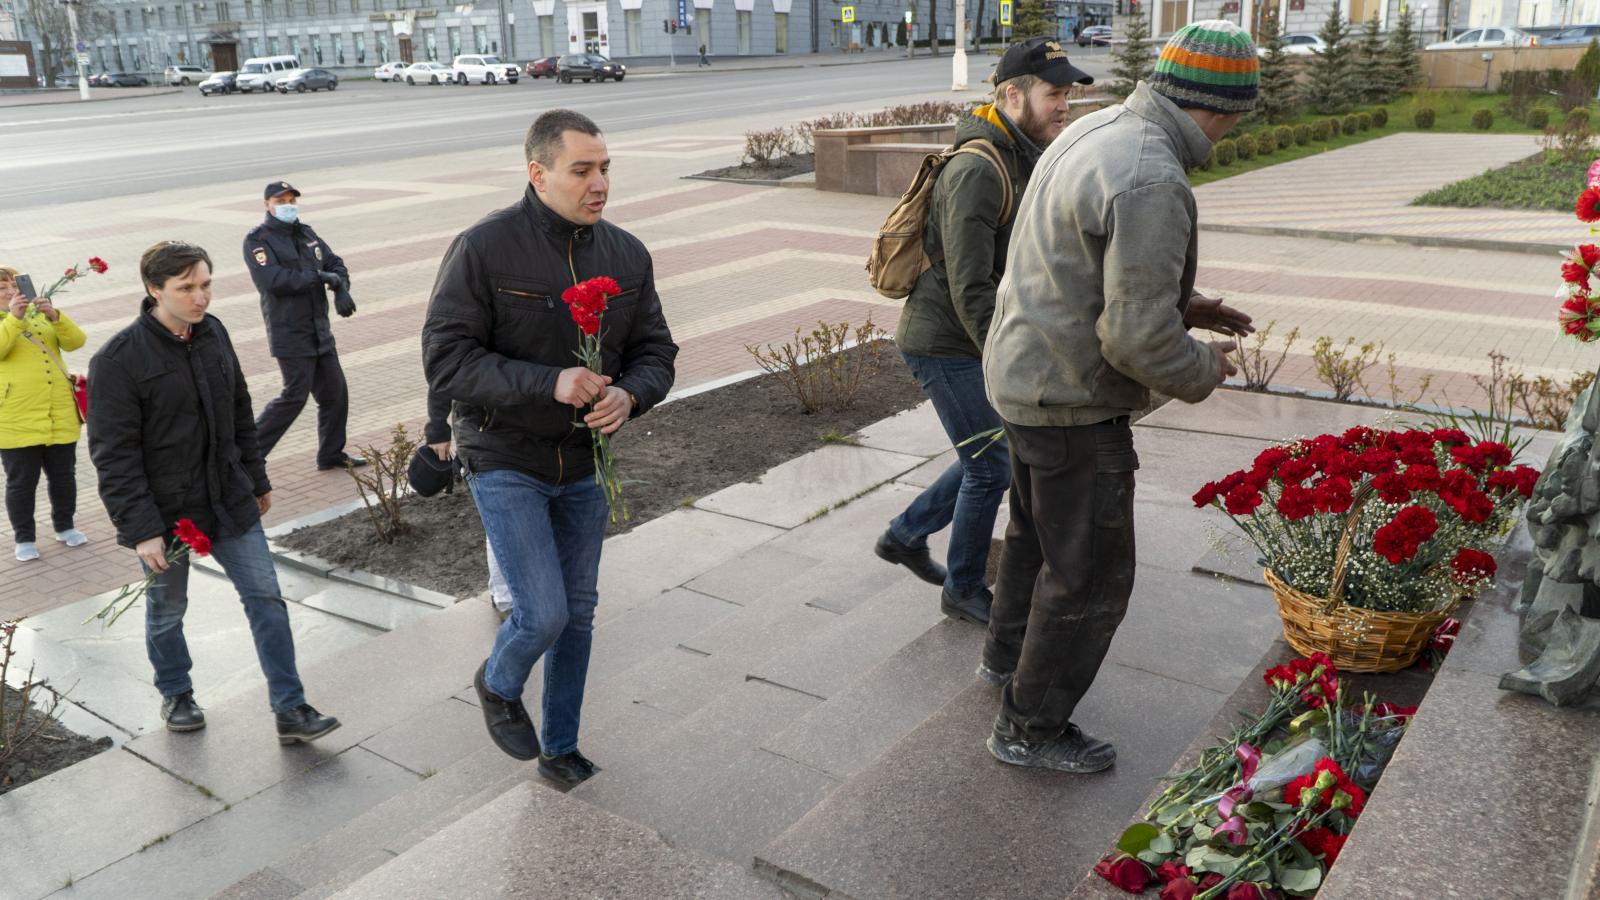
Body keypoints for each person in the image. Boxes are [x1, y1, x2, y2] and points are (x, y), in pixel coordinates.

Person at [980, 21, 1257, 773]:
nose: (1233, 131)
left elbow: (1074, 256)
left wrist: (1185, 304)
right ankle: (1029, 727)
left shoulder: (1098, 129)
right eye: (1238, 118)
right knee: (1091, 574)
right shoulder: (1153, 173)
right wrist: (1203, 367)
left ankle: (1003, 661)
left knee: (1036, 540)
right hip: (1072, 398)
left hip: (1023, 376)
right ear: (1220, 109)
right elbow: (1135, 340)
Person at [423, 109, 677, 787]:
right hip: (505, 455)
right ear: (538, 174)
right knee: (542, 611)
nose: (600, 184)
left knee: (579, 615)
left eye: (606, 169)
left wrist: (632, 395)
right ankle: (498, 681)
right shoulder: (483, 248)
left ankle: (560, 747)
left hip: (586, 462)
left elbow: (656, 350)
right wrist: (550, 382)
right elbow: (446, 361)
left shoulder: (626, 253)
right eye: (582, 170)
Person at [875, 37, 1093, 626]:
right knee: (990, 465)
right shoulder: (978, 168)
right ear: (1012, 95)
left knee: (994, 453)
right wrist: (1003, 359)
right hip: (944, 345)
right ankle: (963, 587)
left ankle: (905, 534)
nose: (1064, 105)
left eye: (1067, 94)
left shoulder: (1020, 152)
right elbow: (969, 286)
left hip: (969, 338)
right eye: (1054, 94)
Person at [88, 241, 341, 743]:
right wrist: (142, 530)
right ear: (154, 289)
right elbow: (114, 456)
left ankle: (290, 708)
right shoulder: (117, 360)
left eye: (205, 285)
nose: (200, 297)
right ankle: (176, 692)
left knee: (266, 598)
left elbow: (240, 409)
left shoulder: (213, 332)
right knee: (168, 609)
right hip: (167, 514)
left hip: (228, 497)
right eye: (186, 288)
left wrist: (256, 478)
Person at [245, 181, 366, 472]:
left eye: (291, 200)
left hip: (319, 330)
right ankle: (247, 460)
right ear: (267, 205)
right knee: (294, 397)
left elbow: (334, 262)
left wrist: (341, 286)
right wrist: (322, 278)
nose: (287, 206)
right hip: (289, 331)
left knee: (335, 394)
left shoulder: (307, 233)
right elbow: (274, 280)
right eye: (280, 201)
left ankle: (331, 453)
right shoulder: (258, 240)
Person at [0, 266, 88, 562]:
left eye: (14, 286)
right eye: (2, 288)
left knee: (64, 476)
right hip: (16, 418)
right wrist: (14, 318)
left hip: (58, 412)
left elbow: (76, 342)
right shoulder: (12, 320)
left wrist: (55, 316)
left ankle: (65, 525)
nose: (11, 292)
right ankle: (24, 538)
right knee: (22, 483)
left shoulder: (38, 315)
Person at [421, 387, 512, 620]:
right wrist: (437, 428)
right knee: (501, 520)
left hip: (531, 437)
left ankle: (511, 596)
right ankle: (504, 598)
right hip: (485, 437)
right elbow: (443, 374)